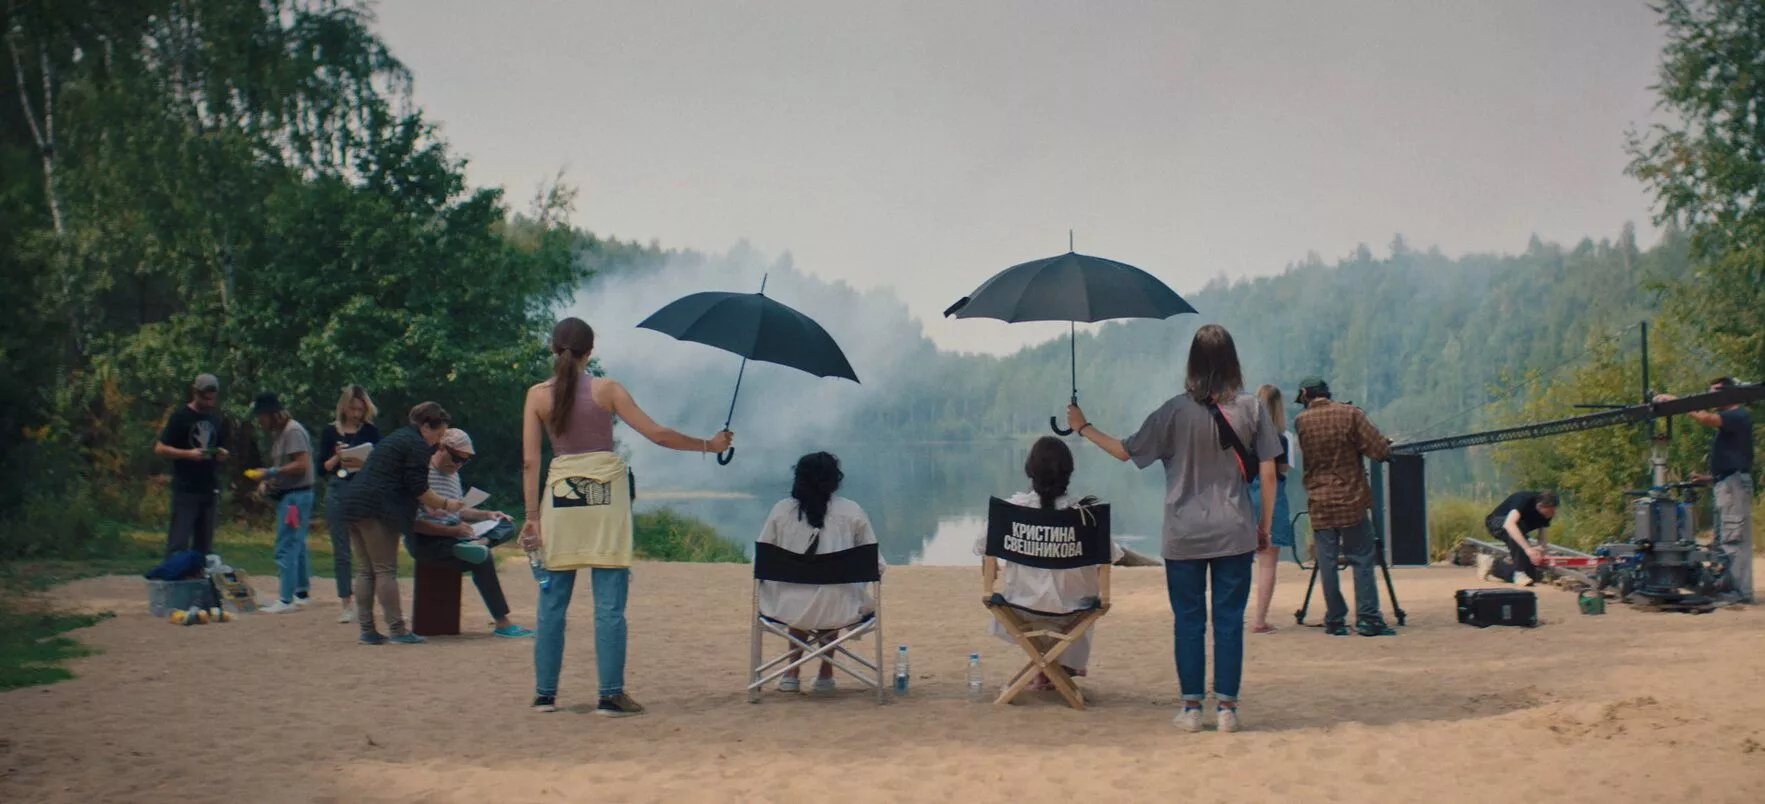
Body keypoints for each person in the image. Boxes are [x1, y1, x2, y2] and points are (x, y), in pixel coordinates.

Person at [1066, 324, 1278, 734]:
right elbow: (1268, 473)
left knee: (1189, 620)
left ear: (1192, 363)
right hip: (1235, 530)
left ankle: (1191, 708)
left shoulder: (1173, 412)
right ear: (1232, 361)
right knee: (1229, 621)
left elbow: (1124, 452)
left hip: (1184, 534)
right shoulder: (1253, 409)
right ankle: (1227, 710)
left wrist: (1083, 426)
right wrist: (1263, 526)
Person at [520, 317, 733, 716]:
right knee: (609, 604)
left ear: (553, 349)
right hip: (606, 501)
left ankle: (545, 695)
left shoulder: (536, 396)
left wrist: (532, 516)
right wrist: (711, 444)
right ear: (590, 352)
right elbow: (658, 435)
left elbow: (531, 462)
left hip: (561, 499)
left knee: (552, 602)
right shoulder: (608, 390)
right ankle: (610, 695)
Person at [973, 436, 1122, 689]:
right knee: (1083, 587)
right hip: (1073, 612)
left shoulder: (1010, 511)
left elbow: (980, 546)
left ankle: (1048, 667)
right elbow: (1110, 556)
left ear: (1029, 471)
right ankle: (1061, 665)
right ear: (1069, 472)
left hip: (1019, 608)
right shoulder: (1085, 515)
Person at [337, 401, 466, 645]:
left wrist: (428, 505)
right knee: (385, 569)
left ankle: (367, 630)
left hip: (353, 504)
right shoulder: (417, 445)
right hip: (378, 509)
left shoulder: (397, 438)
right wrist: (446, 504)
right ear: (425, 426)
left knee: (365, 570)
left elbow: (401, 482)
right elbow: (420, 489)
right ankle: (397, 629)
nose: (438, 441)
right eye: (438, 434)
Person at [759, 452, 884, 695]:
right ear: (835, 479)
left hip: (786, 610)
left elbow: (761, 561)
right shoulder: (851, 511)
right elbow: (876, 565)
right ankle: (826, 673)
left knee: (800, 594)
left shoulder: (781, 511)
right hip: (840, 609)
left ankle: (791, 673)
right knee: (833, 592)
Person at [1292, 376, 1395, 638]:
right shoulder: (1351, 414)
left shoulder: (1301, 422)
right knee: (1361, 557)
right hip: (1351, 499)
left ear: (1305, 394)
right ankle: (1368, 619)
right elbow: (1378, 450)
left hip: (1320, 502)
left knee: (1326, 562)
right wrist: (1386, 447)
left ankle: (1335, 620)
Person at [408, 428, 533, 637]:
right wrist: (452, 531)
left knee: (505, 524)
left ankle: (479, 542)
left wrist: (487, 514)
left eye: (464, 461)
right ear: (441, 448)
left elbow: (459, 511)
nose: (458, 464)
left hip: (455, 534)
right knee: (483, 559)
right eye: (456, 458)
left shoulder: (453, 476)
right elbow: (414, 524)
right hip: (429, 540)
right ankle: (502, 622)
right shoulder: (422, 473)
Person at [1657, 377, 1754, 603]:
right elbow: (1735, 458)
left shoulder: (1736, 415)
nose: (1711, 399)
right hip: (1726, 483)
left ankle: (1739, 592)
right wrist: (1709, 478)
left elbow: (1706, 418)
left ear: (1728, 394)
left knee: (1734, 538)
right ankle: (1725, 587)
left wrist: (1678, 403)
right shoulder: (1731, 420)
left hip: (1733, 485)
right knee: (1723, 539)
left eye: (1714, 394)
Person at [319, 385, 381, 624]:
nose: (356, 414)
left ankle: (374, 601)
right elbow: (322, 468)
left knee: (371, 550)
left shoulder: (371, 431)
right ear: (344, 408)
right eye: (352, 409)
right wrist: (338, 455)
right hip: (338, 488)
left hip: (363, 489)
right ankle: (346, 602)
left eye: (360, 409)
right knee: (342, 550)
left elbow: (380, 461)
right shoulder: (330, 432)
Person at [249, 393, 316, 613]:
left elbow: (302, 464)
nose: (259, 421)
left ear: (272, 414)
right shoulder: (280, 433)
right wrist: (268, 481)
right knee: (297, 544)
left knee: (286, 544)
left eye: (261, 416)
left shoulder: (292, 431)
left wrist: (270, 472)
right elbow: (285, 469)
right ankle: (301, 593)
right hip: (294, 495)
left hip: (295, 499)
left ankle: (286, 599)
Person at [152, 373, 229, 556]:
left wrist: (221, 453)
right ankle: (174, 569)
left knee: (204, 545)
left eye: (212, 397)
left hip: (209, 487)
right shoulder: (181, 416)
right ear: (195, 393)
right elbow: (160, 448)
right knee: (179, 540)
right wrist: (187, 454)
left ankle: (198, 570)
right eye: (205, 397)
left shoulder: (215, 420)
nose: (209, 401)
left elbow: (220, 446)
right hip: (186, 488)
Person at [1247, 384, 1294, 634]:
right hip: (1271, 498)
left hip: (1242, 497)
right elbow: (1282, 470)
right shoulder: (1281, 439)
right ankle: (1259, 620)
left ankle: (1232, 615)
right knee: (1267, 563)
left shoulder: (1243, 437)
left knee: (1237, 562)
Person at [1476, 491, 1558, 587]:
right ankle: (1519, 573)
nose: (1553, 514)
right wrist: (1528, 549)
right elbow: (1509, 524)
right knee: (1516, 529)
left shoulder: (1547, 513)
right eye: (1550, 511)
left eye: (1554, 511)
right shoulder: (1523, 499)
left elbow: (1542, 533)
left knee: (1531, 575)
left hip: (1518, 529)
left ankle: (1491, 564)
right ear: (1540, 506)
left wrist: (1541, 551)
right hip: (1497, 523)